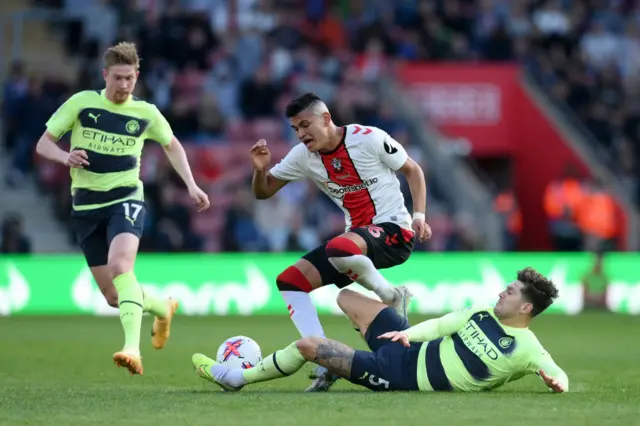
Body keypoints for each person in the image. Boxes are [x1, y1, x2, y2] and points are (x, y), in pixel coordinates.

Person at [35, 42, 210, 376]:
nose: (124, 85)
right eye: (118, 78)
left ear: (137, 76)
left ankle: (132, 349)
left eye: (129, 78)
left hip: (126, 197)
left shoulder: (146, 113)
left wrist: (191, 184)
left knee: (120, 265)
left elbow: (172, 145)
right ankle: (162, 307)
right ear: (105, 75)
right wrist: (65, 157)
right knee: (113, 296)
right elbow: (44, 143)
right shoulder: (82, 103)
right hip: (85, 205)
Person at [249, 92, 431, 391]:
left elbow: (413, 169)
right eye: (295, 129)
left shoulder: (369, 138)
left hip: (394, 232)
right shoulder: (303, 156)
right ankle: (325, 361)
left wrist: (420, 215)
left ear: (326, 118)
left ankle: (393, 296)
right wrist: (259, 170)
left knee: (339, 247)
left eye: (305, 124)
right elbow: (263, 192)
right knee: (290, 281)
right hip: (354, 244)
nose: (301, 134)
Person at [192, 267, 568, 394]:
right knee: (346, 298)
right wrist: (407, 333)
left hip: (400, 374)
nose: (503, 291)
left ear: (526, 308)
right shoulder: (483, 312)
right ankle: (337, 365)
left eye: (512, 292)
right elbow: (442, 324)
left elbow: (561, 376)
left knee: (307, 345)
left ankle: (237, 377)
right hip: (407, 348)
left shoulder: (529, 349)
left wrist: (557, 383)